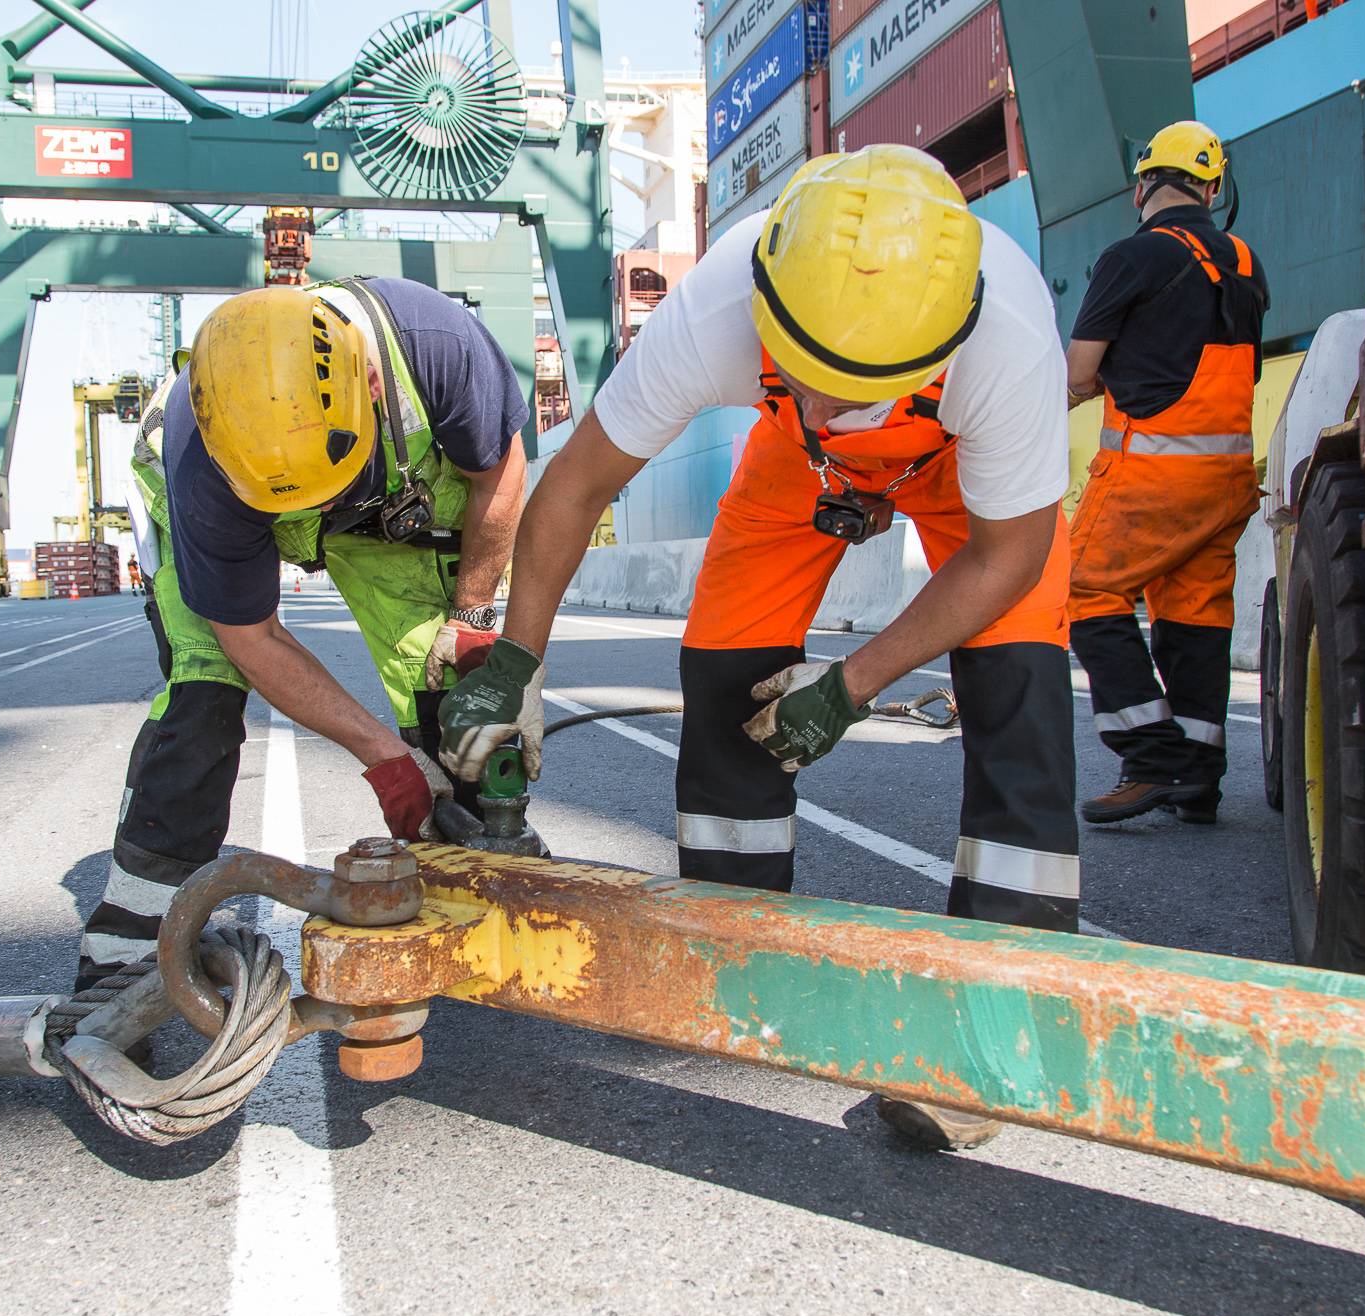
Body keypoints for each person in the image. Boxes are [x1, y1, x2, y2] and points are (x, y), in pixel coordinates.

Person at [440, 146, 1076, 1150]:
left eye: (850, 394)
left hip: (962, 474)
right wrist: (516, 661)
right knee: (724, 660)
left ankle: (995, 1032)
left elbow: (1004, 557)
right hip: (800, 472)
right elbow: (574, 486)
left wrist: (851, 684)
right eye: (809, 379)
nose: (827, 406)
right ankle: (737, 953)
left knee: (1019, 688)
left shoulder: (1006, 343)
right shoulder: (723, 298)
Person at [75, 280, 527, 987]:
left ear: (370, 383)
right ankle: (122, 958)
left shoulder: (438, 346)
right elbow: (251, 636)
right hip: (235, 508)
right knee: (202, 708)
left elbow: (499, 471)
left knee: (456, 703)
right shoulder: (202, 469)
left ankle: (476, 891)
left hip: (380, 506)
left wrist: (471, 619)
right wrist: (385, 760)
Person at [1064, 120, 1269, 825]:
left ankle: (1153, 758)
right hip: (1228, 481)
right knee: (1194, 615)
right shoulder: (1244, 260)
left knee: (1081, 586)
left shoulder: (1130, 258)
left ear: (1143, 184)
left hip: (1151, 475)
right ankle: (1200, 779)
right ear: (1212, 188)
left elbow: (1080, 374)